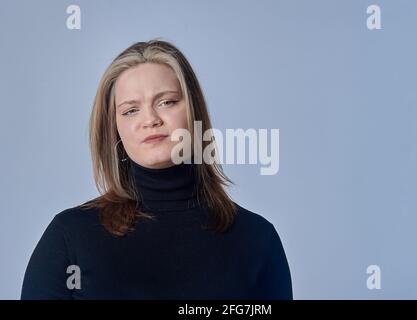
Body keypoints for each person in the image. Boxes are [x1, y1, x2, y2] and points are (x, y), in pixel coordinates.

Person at [21, 39, 293, 300]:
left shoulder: (257, 240)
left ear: (194, 111)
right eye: (130, 110)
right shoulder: (68, 238)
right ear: (114, 128)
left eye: (167, 102)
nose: (150, 119)